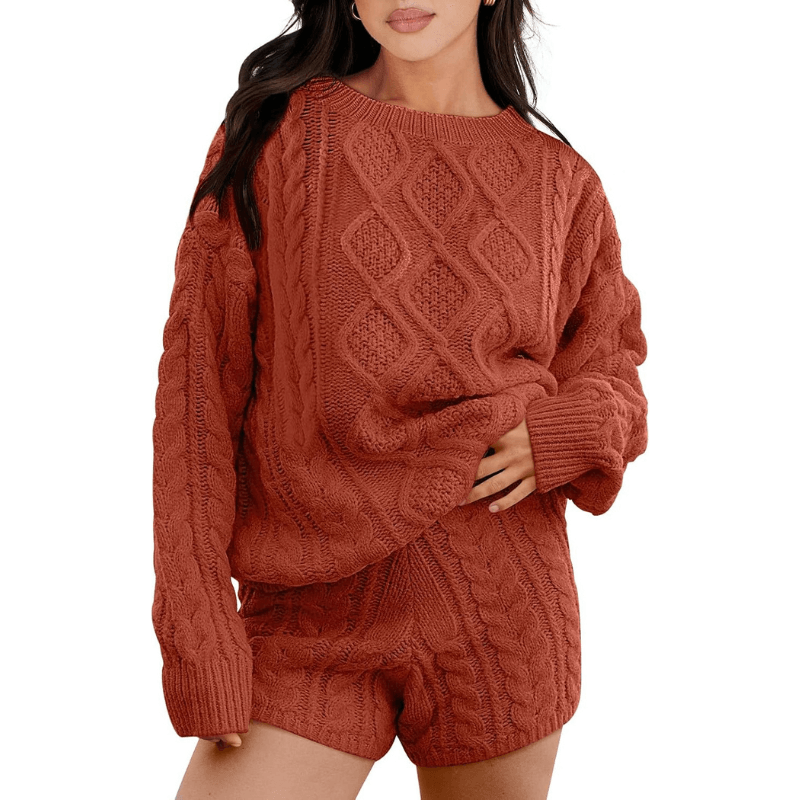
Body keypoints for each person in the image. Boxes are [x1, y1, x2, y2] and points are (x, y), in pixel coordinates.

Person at [151, 1, 649, 798]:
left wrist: (562, 430)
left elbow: (614, 372)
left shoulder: (563, 182)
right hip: (305, 619)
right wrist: (197, 631)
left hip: (500, 606)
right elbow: (197, 395)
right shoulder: (278, 138)